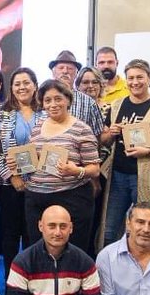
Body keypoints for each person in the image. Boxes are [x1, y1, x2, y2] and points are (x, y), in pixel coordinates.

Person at [99, 59, 150, 246]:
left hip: (149, 175)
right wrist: (111, 133)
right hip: (117, 176)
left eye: (140, 77)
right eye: (131, 78)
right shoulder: (116, 105)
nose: (135, 82)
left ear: (149, 79)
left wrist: (149, 150)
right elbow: (103, 139)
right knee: (109, 230)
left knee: (149, 229)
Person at [23, 79, 100, 254]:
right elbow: (34, 162)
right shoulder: (37, 128)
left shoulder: (81, 129)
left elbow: (94, 168)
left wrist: (77, 170)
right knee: (38, 250)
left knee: (72, 250)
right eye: (47, 100)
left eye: (58, 99)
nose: (53, 104)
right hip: (36, 198)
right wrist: (20, 164)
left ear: (68, 100)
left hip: (71, 198)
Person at [0, 67, 44, 270]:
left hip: (40, 183)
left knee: (34, 233)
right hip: (9, 185)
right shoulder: (1, 113)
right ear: (11, 88)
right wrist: (11, 176)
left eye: (26, 83)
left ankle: (32, 278)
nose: (22, 87)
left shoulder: (46, 114)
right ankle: (11, 279)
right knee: (10, 233)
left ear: (34, 85)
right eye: (17, 84)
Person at [48, 50, 106, 141]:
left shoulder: (89, 103)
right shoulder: (43, 99)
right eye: (61, 68)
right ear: (53, 72)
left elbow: (97, 136)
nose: (65, 71)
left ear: (76, 73)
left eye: (70, 68)